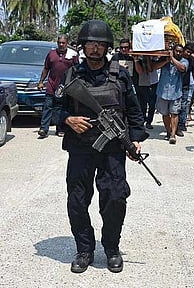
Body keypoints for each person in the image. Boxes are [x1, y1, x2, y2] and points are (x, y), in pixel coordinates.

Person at [58, 20, 148, 274]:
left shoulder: (120, 74)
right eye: (90, 44)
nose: (95, 48)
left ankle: (111, 248)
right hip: (80, 149)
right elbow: (55, 107)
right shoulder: (71, 75)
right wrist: (68, 119)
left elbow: (133, 109)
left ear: (107, 47)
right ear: (83, 46)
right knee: (77, 200)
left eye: (100, 44)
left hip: (112, 150)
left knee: (115, 199)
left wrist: (136, 140)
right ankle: (84, 249)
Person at [37, 34, 79, 138]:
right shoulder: (51, 54)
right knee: (48, 107)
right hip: (52, 85)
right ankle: (44, 129)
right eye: (59, 42)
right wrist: (41, 81)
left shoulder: (72, 55)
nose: (61, 44)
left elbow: (77, 70)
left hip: (65, 87)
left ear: (67, 43)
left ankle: (60, 129)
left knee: (61, 109)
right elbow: (46, 68)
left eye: (63, 43)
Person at [153, 44, 188, 144]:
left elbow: (182, 68)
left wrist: (172, 58)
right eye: (176, 51)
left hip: (176, 92)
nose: (178, 53)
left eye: (180, 51)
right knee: (165, 114)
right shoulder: (164, 60)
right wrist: (166, 61)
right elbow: (154, 67)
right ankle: (168, 131)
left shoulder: (184, 61)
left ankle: (173, 134)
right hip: (162, 91)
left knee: (174, 113)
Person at [178, 42, 194, 133]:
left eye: (190, 52)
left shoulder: (191, 61)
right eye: (187, 51)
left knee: (184, 106)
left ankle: (181, 124)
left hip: (185, 86)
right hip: (175, 86)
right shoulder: (177, 58)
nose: (188, 54)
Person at [134, 55, 159, 130]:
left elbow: (150, 68)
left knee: (152, 104)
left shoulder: (155, 58)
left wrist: (148, 57)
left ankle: (149, 122)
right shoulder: (139, 58)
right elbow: (140, 71)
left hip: (153, 82)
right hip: (143, 83)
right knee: (142, 104)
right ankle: (143, 120)